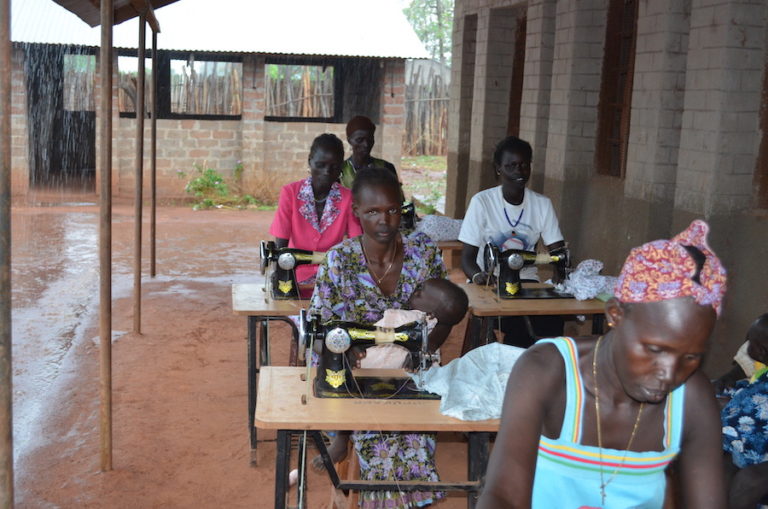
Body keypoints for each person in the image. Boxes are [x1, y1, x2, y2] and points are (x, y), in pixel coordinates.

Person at [477, 220, 728, 509]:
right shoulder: (547, 372)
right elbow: (503, 496)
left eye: (691, 357)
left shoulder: (692, 398)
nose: (669, 374)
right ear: (615, 314)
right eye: (655, 349)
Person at [310, 168, 447, 508]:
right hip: (355, 372)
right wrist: (344, 349)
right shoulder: (339, 261)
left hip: (409, 369)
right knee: (380, 436)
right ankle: (344, 434)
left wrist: (420, 354)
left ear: (402, 208)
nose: (384, 220)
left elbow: (446, 313)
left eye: (392, 210)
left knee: (412, 430)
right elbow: (318, 330)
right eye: (372, 211)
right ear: (356, 211)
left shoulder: (424, 253)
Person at [314, 278, 469, 475]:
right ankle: (343, 440)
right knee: (353, 388)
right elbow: (375, 335)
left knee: (353, 392)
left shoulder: (404, 319)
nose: (415, 290)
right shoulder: (433, 326)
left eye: (421, 292)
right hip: (386, 372)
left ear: (431, 314)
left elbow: (429, 340)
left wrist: (358, 346)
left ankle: (342, 439)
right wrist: (356, 345)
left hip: (380, 369)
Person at [458, 135, 566, 348]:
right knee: (519, 323)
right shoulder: (482, 202)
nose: (519, 171)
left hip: (527, 282)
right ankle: (518, 369)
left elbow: (559, 251)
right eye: (511, 165)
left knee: (552, 319)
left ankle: (539, 369)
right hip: (488, 284)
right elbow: (467, 258)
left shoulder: (542, 205)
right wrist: (479, 276)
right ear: (498, 168)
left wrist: (560, 272)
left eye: (524, 165)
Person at [269, 133, 361, 298]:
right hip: (296, 277)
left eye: (334, 166)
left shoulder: (348, 198)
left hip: (333, 278)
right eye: (320, 164)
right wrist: (280, 273)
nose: (327, 171)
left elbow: (356, 243)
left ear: (341, 166)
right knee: (298, 318)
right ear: (310, 161)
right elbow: (281, 241)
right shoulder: (290, 193)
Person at [720, 314, 768, 509]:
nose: (747, 347)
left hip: (756, 451)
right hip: (738, 445)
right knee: (719, 465)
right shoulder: (761, 375)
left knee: (749, 480)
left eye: (751, 343)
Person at [713, 314, 768, 393]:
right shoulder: (752, 360)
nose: (747, 344)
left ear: (761, 351)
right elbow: (740, 370)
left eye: (750, 341)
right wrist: (728, 378)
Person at [340, 115, 398, 189]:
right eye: (359, 140)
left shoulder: (386, 168)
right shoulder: (341, 171)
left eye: (370, 139)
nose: (366, 144)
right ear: (349, 140)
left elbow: (397, 198)